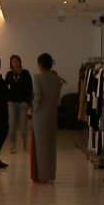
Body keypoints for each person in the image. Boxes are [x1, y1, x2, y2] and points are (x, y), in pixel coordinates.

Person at [31, 52, 65, 183]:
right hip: (52, 115)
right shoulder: (57, 79)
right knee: (51, 147)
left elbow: (38, 97)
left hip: (40, 116)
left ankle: (43, 175)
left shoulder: (37, 78)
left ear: (40, 64)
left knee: (41, 147)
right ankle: (50, 174)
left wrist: (32, 109)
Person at [5, 53, 33, 156]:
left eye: (16, 61)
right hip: (12, 103)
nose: (15, 63)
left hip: (23, 103)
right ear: (11, 63)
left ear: (20, 62)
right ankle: (13, 146)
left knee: (23, 127)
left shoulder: (26, 73)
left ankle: (25, 145)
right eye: (13, 61)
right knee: (12, 125)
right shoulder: (9, 74)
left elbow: (30, 88)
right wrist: (7, 99)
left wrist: (27, 102)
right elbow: (5, 87)